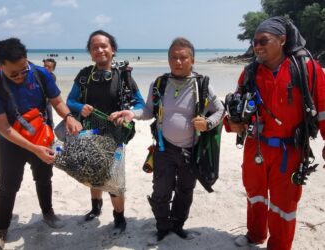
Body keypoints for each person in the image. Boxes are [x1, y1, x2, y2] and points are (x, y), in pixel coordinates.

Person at [224, 17, 325, 250]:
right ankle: (255, 234)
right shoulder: (250, 72)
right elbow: (237, 108)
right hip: (255, 146)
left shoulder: (306, 68)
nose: (257, 46)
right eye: (254, 41)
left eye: (263, 40)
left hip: (289, 150)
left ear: (282, 40)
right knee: (255, 195)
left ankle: (279, 246)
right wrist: (232, 124)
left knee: (284, 205)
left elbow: (322, 107)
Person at [110, 37, 225, 243]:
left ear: (192, 60)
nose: (178, 62)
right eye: (173, 57)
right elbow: (148, 111)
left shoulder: (202, 84)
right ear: (168, 59)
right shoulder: (160, 83)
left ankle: (178, 225)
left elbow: (220, 110)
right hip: (164, 148)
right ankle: (162, 227)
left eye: (183, 58)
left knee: (185, 191)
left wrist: (208, 123)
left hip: (192, 150)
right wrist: (131, 113)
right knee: (160, 191)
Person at [0, 38, 82, 250]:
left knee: (44, 179)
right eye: (13, 74)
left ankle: (48, 213)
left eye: (23, 70)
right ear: (0, 66)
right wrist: (34, 149)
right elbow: (4, 129)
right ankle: (0, 230)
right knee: (8, 186)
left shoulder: (40, 73)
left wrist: (69, 117)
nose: (19, 77)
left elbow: (56, 101)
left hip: (42, 136)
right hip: (12, 142)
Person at [66, 30, 145, 234]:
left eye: (104, 46)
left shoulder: (124, 76)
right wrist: (79, 108)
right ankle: (95, 208)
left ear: (113, 50)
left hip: (115, 135)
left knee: (114, 178)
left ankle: (119, 218)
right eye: (95, 47)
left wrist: (128, 113)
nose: (100, 50)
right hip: (90, 132)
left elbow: (140, 103)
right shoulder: (84, 75)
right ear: (90, 52)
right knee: (92, 171)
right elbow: (70, 101)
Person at [43, 58, 57, 127]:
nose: (46, 68)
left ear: (53, 69)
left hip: (47, 102)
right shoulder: (38, 75)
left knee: (49, 120)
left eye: (49, 67)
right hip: (38, 102)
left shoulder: (52, 77)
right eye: (45, 66)